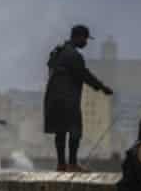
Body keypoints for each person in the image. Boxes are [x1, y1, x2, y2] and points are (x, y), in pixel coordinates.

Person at [44, 24, 113, 172]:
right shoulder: (74, 55)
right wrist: (102, 88)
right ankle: (73, 164)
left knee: (60, 131)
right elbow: (84, 75)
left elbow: (50, 69)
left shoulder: (57, 51)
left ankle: (61, 164)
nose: (86, 43)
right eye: (86, 39)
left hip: (53, 98)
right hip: (68, 99)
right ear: (79, 37)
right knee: (75, 130)